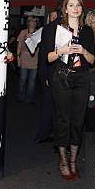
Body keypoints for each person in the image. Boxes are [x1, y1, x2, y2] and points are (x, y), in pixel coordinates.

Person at [43, 0, 95, 180]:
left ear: (82, 9)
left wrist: (84, 51)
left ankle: (73, 160)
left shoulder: (87, 31)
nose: (75, 8)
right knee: (63, 119)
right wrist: (62, 51)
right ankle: (63, 161)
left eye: (78, 5)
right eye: (71, 5)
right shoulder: (54, 29)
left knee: (78, 120)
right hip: (61, 78)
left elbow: (92, 60)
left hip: (82, 79)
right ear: (65, 8)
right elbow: (47, 58)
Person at [35, 9, 60, 143]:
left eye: (57, 16)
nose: (55, 18)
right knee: (48, 104)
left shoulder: (61, 32)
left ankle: (53, 132)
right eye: (53, 17)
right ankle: (44, 133)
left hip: (55, 73)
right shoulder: (46, 30)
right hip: (46, 71)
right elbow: (43, 55)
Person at [16, 16, 39, 103]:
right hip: (24, 58)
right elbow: (19, 46)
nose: (33, 23)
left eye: (34, 21)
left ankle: (29, 99)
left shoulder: (38, 33)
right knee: (22, 79)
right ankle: (20, 97)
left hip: (35, 58)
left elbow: (40, 47)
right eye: (31, 21)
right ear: (28, 22)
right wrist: (18, 58)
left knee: (32, 81)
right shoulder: (23, 32)